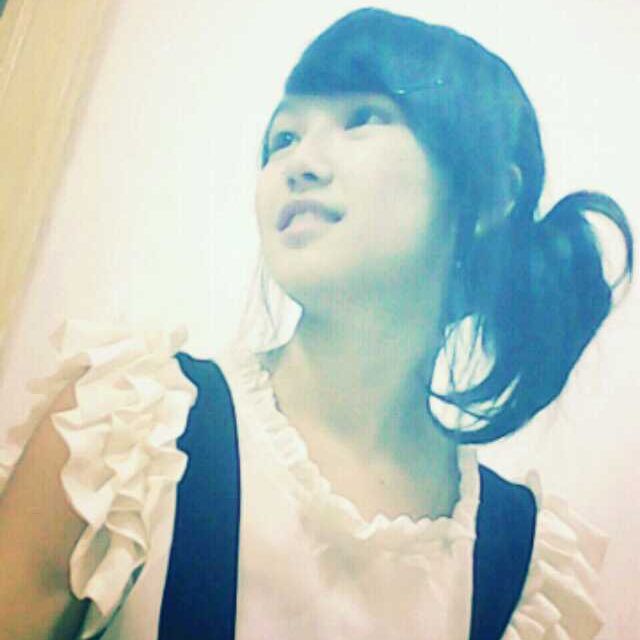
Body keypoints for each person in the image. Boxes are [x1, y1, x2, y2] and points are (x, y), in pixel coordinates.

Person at [0, 7, 634, 640]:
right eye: (283, 138)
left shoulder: (519, 570)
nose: (298, 162)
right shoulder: (125, 434)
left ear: (490, 193)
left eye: (363, 119)